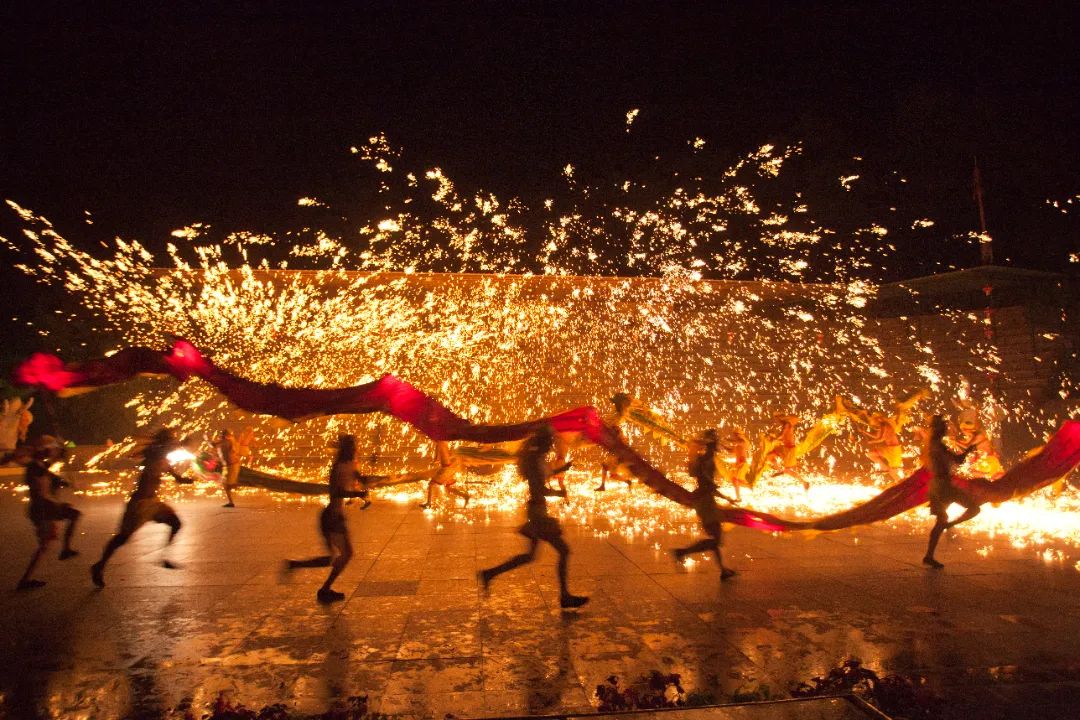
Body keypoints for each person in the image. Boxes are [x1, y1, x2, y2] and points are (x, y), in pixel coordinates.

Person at [478, 424, 588, 609]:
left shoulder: (536, 458)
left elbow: (542, 477)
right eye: (550, 442)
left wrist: (561, 469)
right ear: (544, 442)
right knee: (564, 551)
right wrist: (559, 494)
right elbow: (540, 488)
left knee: (530, 556)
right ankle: (564, 596)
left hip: (537, 511)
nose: (552, 445)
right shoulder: (535, 461)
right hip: (538, 515)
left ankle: (489, 574)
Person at [91, 428, 193, 587]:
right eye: (169, 440)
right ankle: (99, 565)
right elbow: (157, 451)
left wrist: (187, 480)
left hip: (153, 503)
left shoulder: (164, 459)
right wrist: (180, 443)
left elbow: (177, 478)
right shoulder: (153, 453)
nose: (172, 442)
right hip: (139, 504)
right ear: (163, 442)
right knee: (122, 538)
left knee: (176, 523)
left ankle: (164, 557)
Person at [284, 434, 370, 603]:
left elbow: (358, 477)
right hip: (331, 517)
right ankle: (324, 588)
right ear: (350, 448)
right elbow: (337, 492)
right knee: (344, 555)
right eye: (355, 446)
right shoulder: (338, 467)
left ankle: (296, 566)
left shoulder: (349, 464)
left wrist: (366, 481)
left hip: (336, 516)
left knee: (333, 558)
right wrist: (358, 493)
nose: (358, 448)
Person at [16, 435, 81, 590]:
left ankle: (65, 550)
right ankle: (65, 550)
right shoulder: (35, 467)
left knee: (45, 544)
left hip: (47, 507)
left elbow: (50, 472)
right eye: (46, 450)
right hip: (42, 509)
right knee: (44, 544)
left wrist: (61, 479)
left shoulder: (39, 465)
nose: (48, 451)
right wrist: (58, 457)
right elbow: (42, 476)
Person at [671, 429, 736, 579]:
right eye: (715, 443)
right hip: (705, 501)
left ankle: (723, 570)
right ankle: (681, 552)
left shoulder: (705, 459)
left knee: (715, 538)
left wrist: (724, 497)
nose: (717, 446)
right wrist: (725, 497)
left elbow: (706, 482)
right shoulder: (706, 461)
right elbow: (707, 484)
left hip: (705, 499)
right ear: (711, 445)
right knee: (716, 539)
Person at [923, 414, 979, 569]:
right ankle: (949, 525)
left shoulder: (933, 444)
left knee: (941, 520)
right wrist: (969, 450)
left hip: (937, 485)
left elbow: (954, 461)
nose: (946, 429)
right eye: (944, 427)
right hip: (943, 487)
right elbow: (958, 460)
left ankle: (929, 556)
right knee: (974, 508)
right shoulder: (938, 445)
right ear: (939, 429)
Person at [420, 441, 470, 509]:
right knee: (448, 488)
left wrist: (435, 460)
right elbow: (445, 454)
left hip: (446, 470)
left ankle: (428, 504)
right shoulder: (444, 443)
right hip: (450, 468)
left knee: (431, 484)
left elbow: (439, 455)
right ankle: (465, 496)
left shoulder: (441, 443)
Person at [214, 429, 239, 507]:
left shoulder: (225, 442)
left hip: (230, 465)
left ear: (224, 436)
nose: (220, 436)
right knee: (226, 483)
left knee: (226, 485)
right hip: (230, 465)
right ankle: (235, 485)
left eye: (222, 435)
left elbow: (213, 444)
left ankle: (231, 502)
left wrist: (206, 439)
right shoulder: (228, 441)